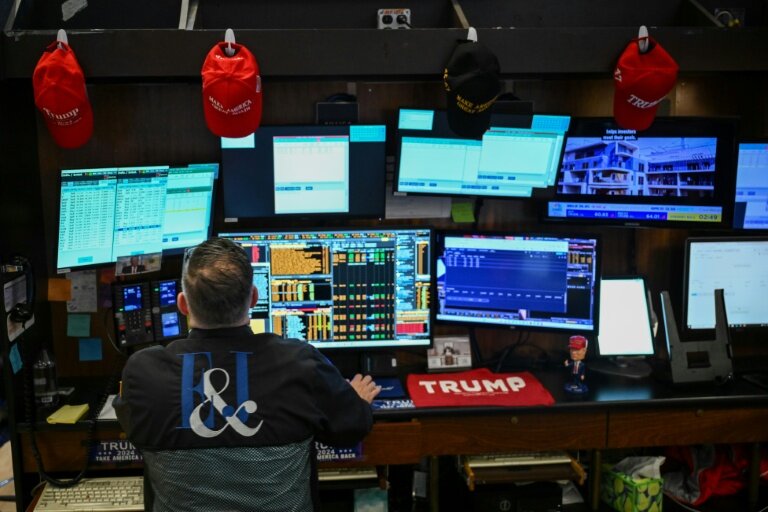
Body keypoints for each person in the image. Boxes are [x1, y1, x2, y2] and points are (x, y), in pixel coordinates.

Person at [114, 238, 381, 511]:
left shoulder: (143, 373)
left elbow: (133, 422)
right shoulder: (299, 363)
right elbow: (350, 429)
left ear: (182, 304)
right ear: (254, 297)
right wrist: (355, 400)